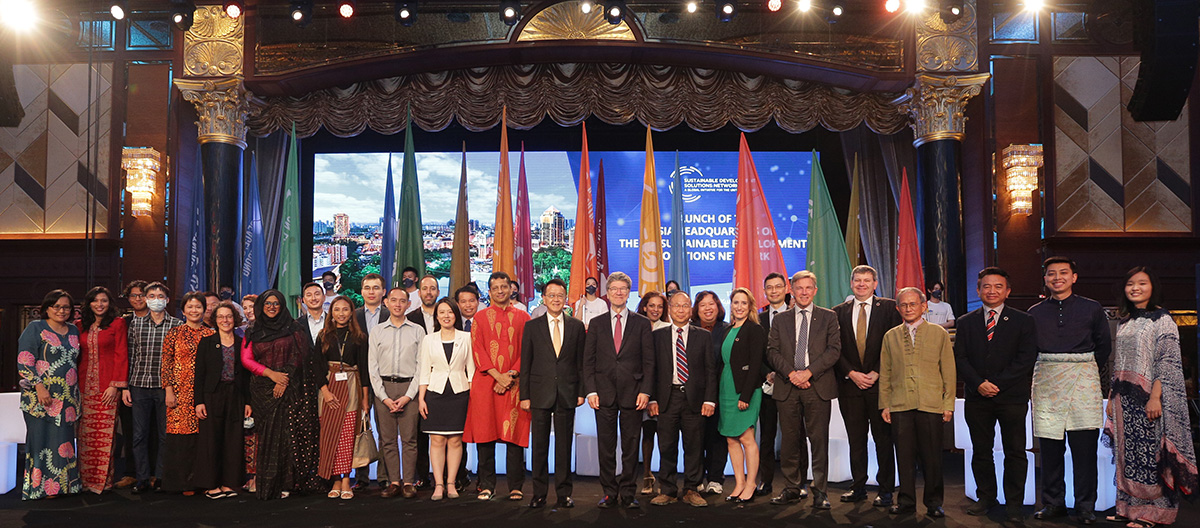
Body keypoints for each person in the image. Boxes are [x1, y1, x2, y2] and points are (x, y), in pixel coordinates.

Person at [1107, 267, 1198, 527]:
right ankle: (1128, 509)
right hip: (1123, 401)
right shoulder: (1125, 320)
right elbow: (1119, 363)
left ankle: (1154, 514)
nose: (1135, 288)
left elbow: (1167, 364)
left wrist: (1155, 397)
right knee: (1128, 457)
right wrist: (1112, 398)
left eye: (1142, 283)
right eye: (1130, 284)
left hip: (1149, 399)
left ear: (1152, 287)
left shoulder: (1162, 320)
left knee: (1151, 457)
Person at [1028, 256, 1111, 524]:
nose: (1057, 278)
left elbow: (1103, 347)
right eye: (1051, 274)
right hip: (1047, 380)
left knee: (1084, 450)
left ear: (1074, 277)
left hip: (1082, 379)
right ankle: (1053, 504)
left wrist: (1083, 371)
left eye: (1063, 273)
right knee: (1050, 449)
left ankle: (1086, 506)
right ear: (1045, 279)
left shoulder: (1092, 308)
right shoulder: (1035, 312)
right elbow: (1029, 351)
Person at [954, 267, 1038, 521]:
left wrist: (997, 383)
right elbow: (960, 358)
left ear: (1008, 291)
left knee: (1015, 451)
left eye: (998, 286)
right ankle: (986, 497)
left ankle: (1014, 503)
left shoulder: (1024, 321)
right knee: (981, 450)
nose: (992, 291)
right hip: (977, 397)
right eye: (986, 286)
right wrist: (979, 383)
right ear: (978, 290)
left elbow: (1026, 359)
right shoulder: (965, 321)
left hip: (1011, 397)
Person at [766, 270, 840, 510]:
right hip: (787, 387)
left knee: (818, 441)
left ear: (815, 291)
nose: (804, 292)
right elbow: (772, 352)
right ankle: (791, 487)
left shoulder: (829, 317)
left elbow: (834, 351)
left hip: (817, 386)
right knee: (788, 441)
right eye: (799, 288)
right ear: (792, 291)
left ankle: (820, 491)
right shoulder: (780, 319)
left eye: (809, 288)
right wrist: (791, 374)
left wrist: (807, 373)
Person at [880, 287, 955, 518]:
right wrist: (885, 404)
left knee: (932, 456)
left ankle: (934, 503)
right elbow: (886, 372)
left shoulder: (939, 333)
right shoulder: (890, 335)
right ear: (897, 308)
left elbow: (949, 371)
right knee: (903, 456)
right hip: (900, 404)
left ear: (924, 306)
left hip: (931, 404)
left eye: (913, 304)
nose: (908, 308)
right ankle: (906, 502)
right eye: (903, 305)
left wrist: (948, 404)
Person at [241, 290, 323, 499]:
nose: (271, 307)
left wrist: (283, 379)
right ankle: (266, 482)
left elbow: (300, 354)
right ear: (261, 306)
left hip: (290, 388)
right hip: (262, 390)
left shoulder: (293, 327)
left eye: (276, 303)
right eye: (267, 303)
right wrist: (271, 375)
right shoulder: (252, 329)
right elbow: (246, 359)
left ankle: (287, 483)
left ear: (282, 305)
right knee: (266, 435)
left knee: (287, 436)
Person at [584, 271, 655, 509]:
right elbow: (589, 361)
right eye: (614, 288)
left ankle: (627, 493)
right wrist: (591, 391)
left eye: (623, 289)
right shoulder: (596, 324)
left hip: (633, 394)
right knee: (606, 446)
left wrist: (646, 391)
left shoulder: (642, 323)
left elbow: (649, 362)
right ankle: (609, 493)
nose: (618, 292)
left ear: (628, 293)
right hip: (602, 394)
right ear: (607, 292)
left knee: (631, 447)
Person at [832, 265, 900, 507]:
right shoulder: (838, 312)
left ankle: (886, 490)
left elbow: (896, 343)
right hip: (850, 387)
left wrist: (877, 372)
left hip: (880, 385)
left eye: (866, 280)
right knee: (856, 440)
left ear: (875, 283)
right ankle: (858, 486)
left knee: (883, 439)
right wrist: (851, 372)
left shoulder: (890, 308)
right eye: (857, 280)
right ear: (851, 284)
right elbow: (834, 349)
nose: (862, 284)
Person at [465, 272, 532, 501]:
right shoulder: (480, 318)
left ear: (511, 289)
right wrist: (497, 376)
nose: (501, 291)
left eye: (505, 286)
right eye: (496, 288)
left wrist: (510, 375)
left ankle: (516, 486)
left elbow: (528, 351)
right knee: (485, 437)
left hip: (514, 385)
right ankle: (487, 485)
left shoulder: (524, 317)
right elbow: (478, 351)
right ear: (490, 291)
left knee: (514, 435)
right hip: (486, 384)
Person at [519, 279, 585, 509]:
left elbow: (580, 363)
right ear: (544, 299)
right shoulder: (532, 326)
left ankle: (564, 493)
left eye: (560, 295)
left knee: (564, 446)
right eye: (551, 295)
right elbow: (525, 364)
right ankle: (538, 493)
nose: (556, 299)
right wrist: (524, 395)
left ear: (566, 298)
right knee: (539, 446)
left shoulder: (576, 326)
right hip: (539, 394)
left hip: (567, 393)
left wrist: (581, 392)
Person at [648, 291, 716, 508]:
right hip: (667, 399)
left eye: (685, 306)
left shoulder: (703, 336)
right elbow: (652, 370)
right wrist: (652, 399)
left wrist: (709, 400)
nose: (680, 310)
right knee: (666, 446)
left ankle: (691, 489)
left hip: (694, 400)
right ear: (670, 310)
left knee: (694, 446)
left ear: (690, 310)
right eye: (676, 306)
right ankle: (667, 489)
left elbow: (710, 371)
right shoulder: (658, 336)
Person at [18, 290, 82, 500]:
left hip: (67, 398)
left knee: (62, 443)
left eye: (66, 307)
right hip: (40, 397)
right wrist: (39, 387)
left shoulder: (73, 330)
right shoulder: (35, 328)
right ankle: (40, 489)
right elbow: (25, 361)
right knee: (41, 443)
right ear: (47, 308)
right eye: (57, 307)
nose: (61, 311)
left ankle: (65, 486)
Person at [125, 281, 183, 493]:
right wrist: (125, 387)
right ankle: (141, 478)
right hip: (139, 385)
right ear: (146, 299)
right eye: (152, 296)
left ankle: (159, 477)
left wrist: (173, 388)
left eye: (160, 296)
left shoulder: (177, 325)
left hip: (165, 388)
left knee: (164, 435)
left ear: (167, 300)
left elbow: (179, 361)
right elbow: (130, 357)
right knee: (139, 435)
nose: (156, 299)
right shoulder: (135, 324)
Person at [369, 287, 426, 499]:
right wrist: (383, 396)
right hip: (383, 387)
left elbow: (421, 366)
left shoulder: (418, 330)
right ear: (386, 302)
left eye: (403, 301)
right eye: (394, 300)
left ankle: (409, 482)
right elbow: (372, 367)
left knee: (410, 439)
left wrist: (408, 396)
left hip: (409, 388)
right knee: (388, 439)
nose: (398, 304)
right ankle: (394, 482)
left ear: (409, 304)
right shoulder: (377, 331)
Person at [194, 301, 251, 500]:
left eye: (228, 316)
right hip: (212, 395)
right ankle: (211, 485)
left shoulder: (241, 341)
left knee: (233, 440)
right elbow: (199, 375)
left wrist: (248, 402)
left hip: (236, 395)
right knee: (211, 440)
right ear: (215, 320)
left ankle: (230, 483)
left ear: (234, 319)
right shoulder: (207, 342)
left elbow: (246, 375)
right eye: (221, 317)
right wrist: (198, 402)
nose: (225, 320)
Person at [418, 298, 474, 501]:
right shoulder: (429, 339)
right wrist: (422, 399)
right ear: (436, 316)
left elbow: (472, 371)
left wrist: (473, 398)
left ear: (456, 315)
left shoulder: (467, 337)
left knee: (456, 440)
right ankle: (438, 484)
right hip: (435, 393)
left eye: (450, 312)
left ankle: (451, 483)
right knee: (437, 440)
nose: (446, 316)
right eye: (441, 312)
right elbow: (424, 371)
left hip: (460, 394)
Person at [75, 286, 129, 494]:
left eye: (104, 300)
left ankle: (103, 481)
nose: (100, 304)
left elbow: (121, 354)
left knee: (105, 437)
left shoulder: (117, 323)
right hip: (82, 388)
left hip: (107, 388)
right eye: (95, 301)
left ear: (110, 303)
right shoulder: (79, 326)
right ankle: (84, 480)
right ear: (89, 304)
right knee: (85, 436)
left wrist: (115, 385)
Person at [315, 295, 370, 499]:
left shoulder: (359, 337)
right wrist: (325, 391)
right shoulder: (323, 336)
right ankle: (335, 479)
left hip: (352, 385)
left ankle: (346, 478)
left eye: (345, 309)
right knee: (329, 435)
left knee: (348, 435)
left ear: (351, 312)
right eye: (337, 309)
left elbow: (364, 369)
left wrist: (365, 400)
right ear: (331, 313)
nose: (341, 313)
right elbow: (317, 366)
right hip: (328, 387)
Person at [160, 292, 215, 494]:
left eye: (198, 307)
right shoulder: (174, 333)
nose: (194, 310)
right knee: (180, 440)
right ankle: (180, 483)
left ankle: (199, 481)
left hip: (203, 395)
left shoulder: (210, 334)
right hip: (178, 394)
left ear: (204, 310)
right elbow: (166, 363)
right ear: (183, 311)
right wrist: (168, 390)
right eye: (190, 307)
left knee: (201, 439)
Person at [719, 288, 767, 506]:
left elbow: (756, 365)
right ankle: (738, 483)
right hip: (726, 388)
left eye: (743, 303)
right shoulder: (728, 329)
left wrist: (745, 395)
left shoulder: (754, 330)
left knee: (746, 437)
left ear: (750, 306)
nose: (739, 306)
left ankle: (750, 484)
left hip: (745, 390)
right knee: (731, 438)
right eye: (735, 302)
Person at [352, 272, 388, 490]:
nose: (371, 291)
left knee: (385, 431)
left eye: (376, 287)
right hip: (358, 381)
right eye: (367, 287)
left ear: (383, 292)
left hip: (384, 380)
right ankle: (362, 477)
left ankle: (385, 477)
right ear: (362, 291)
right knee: (360, 428)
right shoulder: (352, 316)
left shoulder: (391, 314)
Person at [756, 272, 789, 497]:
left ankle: (797, 484)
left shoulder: (798, 315)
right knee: (766, 437)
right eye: (770, 287)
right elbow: (755, 353)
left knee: (793, 436)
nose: (774, 291)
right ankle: (765, 482)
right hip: (767, 386)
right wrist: (768, 373)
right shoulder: (758, 319)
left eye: (778, 286)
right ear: (765, 291)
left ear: (786, 288)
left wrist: (784, 373)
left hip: (792, 384)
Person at [692, 290, 728, 495]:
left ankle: (715, 478)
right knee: (696, 437)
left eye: (711, 304)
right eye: (703, 304)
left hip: (722, 392)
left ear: (718, 306)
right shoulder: (689, 329)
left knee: (717, 438)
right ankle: (696, 478)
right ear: (697, 309)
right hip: (695, 392)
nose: (707, 308)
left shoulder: (728, 329)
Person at [114, 280, 148, 489]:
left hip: (154, 384)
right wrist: (123, 386)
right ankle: (131, 472)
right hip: (129, 384)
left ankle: (150, 472)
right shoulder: (123, 323)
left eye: (142, 295)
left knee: (152, 430)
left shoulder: (160, 320)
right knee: (130, 431)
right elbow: (119, 355)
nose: (138, 299)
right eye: (134, 295)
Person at [635, 291, 670, 496]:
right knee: (647, 433)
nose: (655, 310)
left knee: (665, 435)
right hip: (643, 389)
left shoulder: (668, 328)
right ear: (644, 306)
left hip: (664, 390)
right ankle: (647, 475)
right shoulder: (636, 326)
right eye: (652, 305)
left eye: (660, 306)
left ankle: (666, 477)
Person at [299, 282, 327, 346]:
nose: (313, 298)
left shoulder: (333, 321)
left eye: (317, 294)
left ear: (324, 298)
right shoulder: (297, 324)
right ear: (304, 300)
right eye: (309, 295)